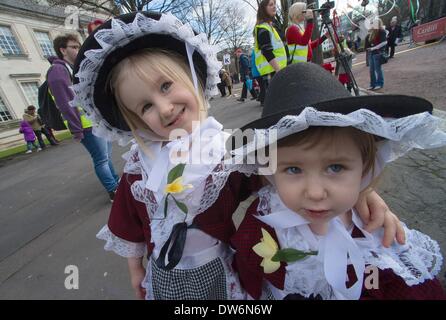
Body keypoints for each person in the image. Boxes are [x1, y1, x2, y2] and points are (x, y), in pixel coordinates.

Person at [73, 12, 404, 300]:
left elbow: (293, 171)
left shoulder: (233, 150)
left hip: (218, 268)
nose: (164, 108)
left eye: (165, 86)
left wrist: (362, 191)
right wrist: (135, 268)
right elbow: (128, 222)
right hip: (164, 274)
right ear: (133, 119)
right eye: (145, 106)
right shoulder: (139, 167)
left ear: (192, 75)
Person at [231, 63, 446, 300]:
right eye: (293, 169)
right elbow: (250, 280)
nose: (314, 193)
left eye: (335, 167)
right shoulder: (260, 222)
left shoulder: (374, 231)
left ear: (365, 167)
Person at [47, 34, 119, 202]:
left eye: (79, 46)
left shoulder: (73, 68)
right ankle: (112, 190)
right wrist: (77, 129)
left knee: (105, 157)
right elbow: (65, 104)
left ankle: (116, 182)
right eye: (74, 47)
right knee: (101, 159)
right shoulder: (58, 70)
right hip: (86, 125)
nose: (79, 49)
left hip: (95, 121)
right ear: (62, 50)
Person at [254, 0, 287, 106]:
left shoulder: (269, 27)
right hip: (272, 72)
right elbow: (267, 52)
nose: (274, 7)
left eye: (275, 5)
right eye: (270, 5)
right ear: (264, 9)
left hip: (274, 72)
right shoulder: (263, 28)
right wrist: (278, 71)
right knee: (278, 104)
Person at [366, 18, 387, 91]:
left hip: (377, 53)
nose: (372, 24)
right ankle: (373, 84)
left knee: (378, 70)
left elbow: (384, 42)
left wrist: (373, 48)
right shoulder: (373, 32)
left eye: (374, 23)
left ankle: (379, 83)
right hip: (372, 53)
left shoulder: (381, 31)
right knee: (371, 70)